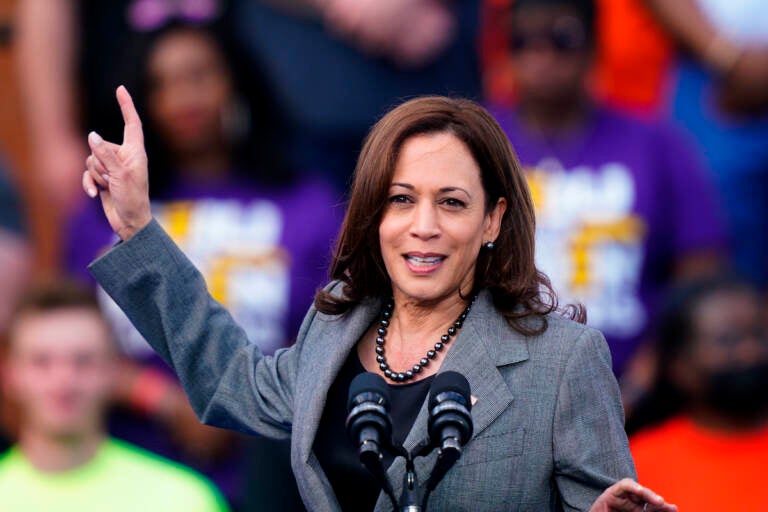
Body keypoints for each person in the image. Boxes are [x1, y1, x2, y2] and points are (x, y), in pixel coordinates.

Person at [81, 87, 676, 511]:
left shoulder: (565, 361)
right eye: (400, 199)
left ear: (493, 219)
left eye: (451, 202)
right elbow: (231, 381)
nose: (423, 226)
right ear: (374, 213)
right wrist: (137, 226)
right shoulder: (336, 324)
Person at [67, 21, 338, 509]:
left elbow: (331, 342)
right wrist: (162, 400)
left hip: (273, 467)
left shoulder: (307, 204)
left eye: (198, 75)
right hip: (134, 466)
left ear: (236, 81)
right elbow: (61, 337)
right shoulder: (103, 211)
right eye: (160, 83)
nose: (182, 97)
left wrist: (248, 399)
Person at [488, 0, 725, 379]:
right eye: (522, 41)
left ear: (595, 48)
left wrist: (653, 368)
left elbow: (701, 264)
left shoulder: (656, 142)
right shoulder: (476, 143)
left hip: (634, 381)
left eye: (561, 39)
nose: (541, 55)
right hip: (502, 379)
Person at [0, 280, 228, 511]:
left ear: (114, 371)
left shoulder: (184, 500)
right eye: (41, 362)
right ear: (9, 374)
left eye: (83, 361)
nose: (63, 380)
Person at [629, 277, 768, 511]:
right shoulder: (639, 466)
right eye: (728, 341)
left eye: (759, 335)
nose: (750, 352)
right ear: (680, 365)